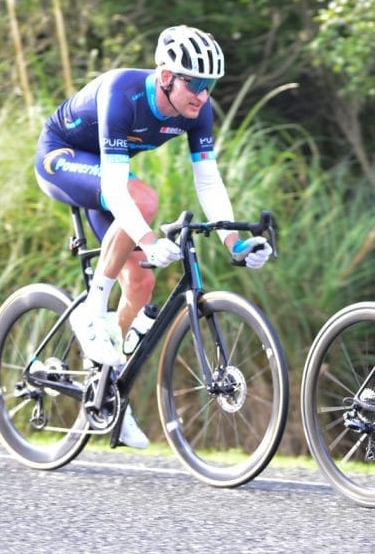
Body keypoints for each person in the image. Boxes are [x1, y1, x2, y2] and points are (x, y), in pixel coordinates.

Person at [34, 25, 270, 448]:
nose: (202, 95)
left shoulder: (199, 110)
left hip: (108, 177)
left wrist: (234, 242)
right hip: (62, 158)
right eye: (195, 84)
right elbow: (119, 186)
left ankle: (106, 388)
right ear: (166, 77)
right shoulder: (122, 92)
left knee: (142, 282)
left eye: (210, 85)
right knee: (143, 199)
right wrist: (146, 238)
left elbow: (209, 183)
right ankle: (92, 311)